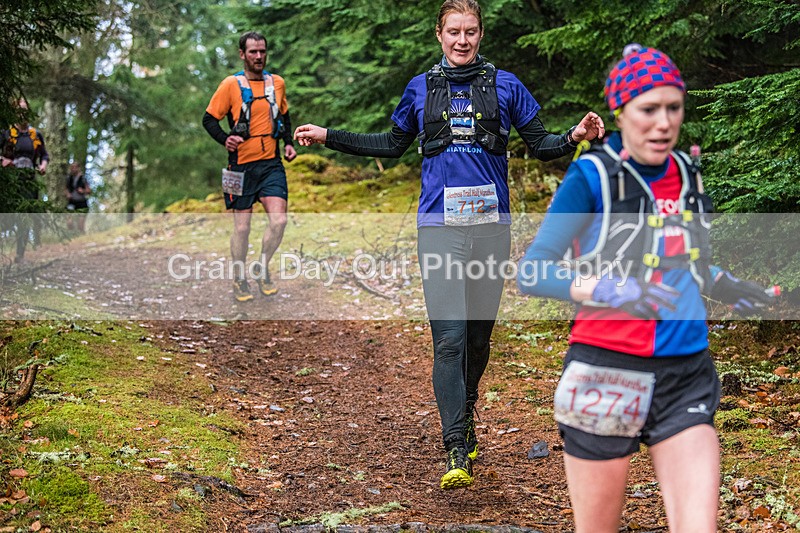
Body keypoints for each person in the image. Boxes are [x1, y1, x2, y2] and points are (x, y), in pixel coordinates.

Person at [294, 0, 604, 489]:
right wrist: (329, 135)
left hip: (490, 230)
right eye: (454, 32)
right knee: (450, 340)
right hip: (439, 230)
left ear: (481, 34)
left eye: (471, 32)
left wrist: (575, 135)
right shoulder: (420, 88)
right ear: (439, 34)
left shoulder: (506, 86)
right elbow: (390, 145)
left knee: (478, 341)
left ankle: (467, 408)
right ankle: (456, 445)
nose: (462, 41)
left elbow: (540, 144)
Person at [517, 44, 775, 532]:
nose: (663, 123)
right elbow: (532, 273)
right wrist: (611, 290)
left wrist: (732, 286)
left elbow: (691, 265)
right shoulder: (590, 176)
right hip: (606, 372)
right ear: (620, 112)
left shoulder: (686, 174)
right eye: (648, 110)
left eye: (673, 108)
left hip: (685, 372)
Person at [203, 31, 297, 302]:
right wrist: (225, 138)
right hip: (240, 167)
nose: (259, 56)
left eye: (262, 51)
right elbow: (209, 119)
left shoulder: (276, 83)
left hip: (271, 164)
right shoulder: (230, 85)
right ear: (242, 54)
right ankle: (238, 277)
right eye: (253, 52)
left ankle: (262, 268)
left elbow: (284, 115)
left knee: (279, 221)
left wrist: (288, 143)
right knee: (242, 229)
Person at [1, 97, 49, 263]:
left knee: (24, 217)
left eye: (25, 110)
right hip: (9, 182)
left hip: (29, 181)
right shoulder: (7, 133)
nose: (23, 114)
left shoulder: (35, 134)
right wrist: (4, 161)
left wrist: (43, 166)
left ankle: (20, 254)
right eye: (20, 110)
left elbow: (45, 155)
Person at [65, 162, 91, 233]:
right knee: (69, 221)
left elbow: (89, 190)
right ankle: (72, 235)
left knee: (80, 225)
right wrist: (68, 194)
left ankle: (82, 236)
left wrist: (83, 191)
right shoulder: (69, 178)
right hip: (72, 202)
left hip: (82, 202)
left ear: (78, 168)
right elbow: (66, 189)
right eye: (72, 168)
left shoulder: (83, 178)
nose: (73, 169)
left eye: (75, 167)